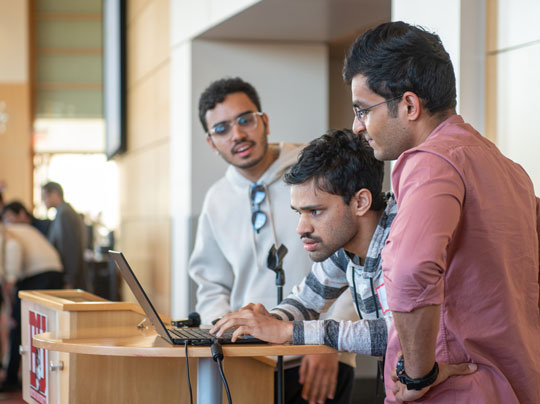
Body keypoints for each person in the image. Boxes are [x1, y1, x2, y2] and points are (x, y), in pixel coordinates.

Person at [343, 21, 540, 403]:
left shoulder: (431, 162)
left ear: (410, 105)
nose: (357, 126)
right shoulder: (508, 169)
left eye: (363, 110)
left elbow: (410, 269)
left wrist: (418, 374)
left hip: (455, 390)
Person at [189, 77, 357, 404]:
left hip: (318, 356)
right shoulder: (216, 199)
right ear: (211, 142)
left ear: (263, 121)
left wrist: (328, 344)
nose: (237, 134)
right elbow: (211, 285)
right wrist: (226, 342)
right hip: (249, 362)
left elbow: (354, 259)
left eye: (244, 120)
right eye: (221, 129)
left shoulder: (315, 170)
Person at [0, 223, 63, 392]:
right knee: (47, 325)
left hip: (37, 274)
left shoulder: (7, 232)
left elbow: (13, 252)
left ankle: (12, 378)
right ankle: (48, 377)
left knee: (19, 326)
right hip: (54, 270)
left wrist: (10, 284)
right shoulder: (16, 228)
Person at [41, 182, 87, 290]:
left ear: (54, 194)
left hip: (70, 278)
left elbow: (70, 248)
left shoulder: (65, 214)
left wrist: (69, 280)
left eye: (44, 197)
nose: (43, 201)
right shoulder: (62, 212)